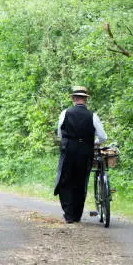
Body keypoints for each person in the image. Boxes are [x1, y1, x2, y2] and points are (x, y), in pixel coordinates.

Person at [54, 86, 107, 224]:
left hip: (68, 150)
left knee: (65, 181)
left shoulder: (65, 113)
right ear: (85, 100)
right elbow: (102, 137)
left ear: (73, 99)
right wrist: (93, 141)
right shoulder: (92, 115)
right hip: (85, 151)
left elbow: (60, 133)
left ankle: (69, 215)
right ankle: (77, 215)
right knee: (80, 181)